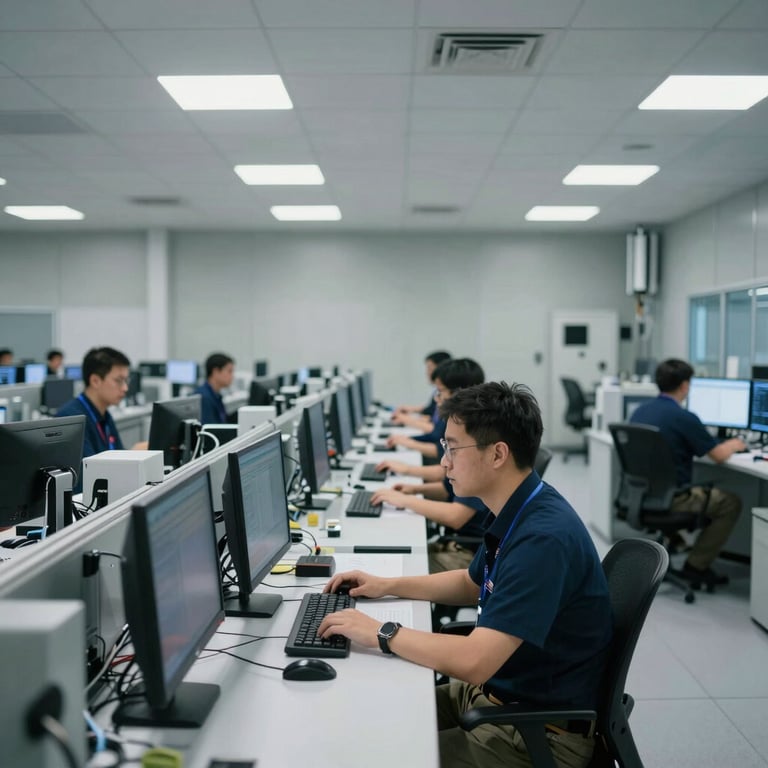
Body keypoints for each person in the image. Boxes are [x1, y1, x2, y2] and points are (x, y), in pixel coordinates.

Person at [319, 382, 612, 768]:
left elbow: (476, 660)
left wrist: (381, 632)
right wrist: (386, 585)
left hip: (535, 736)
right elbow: (470, 582)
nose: (444, 462)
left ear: (497, 455)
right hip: (494, 695)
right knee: (362, 713)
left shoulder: (543, 539)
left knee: (378, 754)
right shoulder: (518, 507)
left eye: (453, 449)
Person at [629, 358, 745, 586]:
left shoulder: (640, 412)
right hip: (674, 499)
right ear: (684, 386)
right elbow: (719, 456)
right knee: (731, 502)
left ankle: (678, 542)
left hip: (640, 495)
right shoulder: (684, 417)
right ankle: (696, 566)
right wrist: (735, 444)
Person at [386, 358, 483, 461]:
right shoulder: (455, 419)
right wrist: (407, 440)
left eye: (440, 392)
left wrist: (408, 446)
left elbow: (442, 466)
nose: (437, 398)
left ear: (458, 392)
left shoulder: (470, 426)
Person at [56, 347, 134, 468]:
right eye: (118, 381)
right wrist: (133, 456)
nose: (125, 388)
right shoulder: (71, 420)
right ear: (95, 381)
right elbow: (88, 475)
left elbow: (117, 455)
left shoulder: (105, 415)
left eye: (126, 381)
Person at [391, 350, 451, 430]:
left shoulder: (449, 396)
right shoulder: (439, 392)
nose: (427, 373)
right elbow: (430, 413)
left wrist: (406, 420)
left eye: (430, 369)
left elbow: (437, 431)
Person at [194, 353, 235, 424]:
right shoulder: (204, 398)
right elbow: (211, 430)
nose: (232, 376)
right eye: (229, 371)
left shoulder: (215, 395)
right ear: (216, 372)